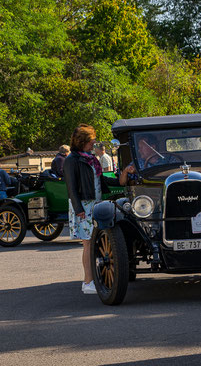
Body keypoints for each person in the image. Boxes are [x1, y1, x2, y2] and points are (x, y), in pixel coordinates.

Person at [64, 124, 119, 295]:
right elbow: (71, 188)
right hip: (83, 207)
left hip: (95, 204)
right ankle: (88, 282)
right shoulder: (71, 160)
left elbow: (102, 181)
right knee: (88, 244)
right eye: (91, 140)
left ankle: (94, 279)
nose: (94, 143)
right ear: (82, 142)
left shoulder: (90, 158)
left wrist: (121, 179)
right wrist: (78, 208)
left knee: (95, 243)